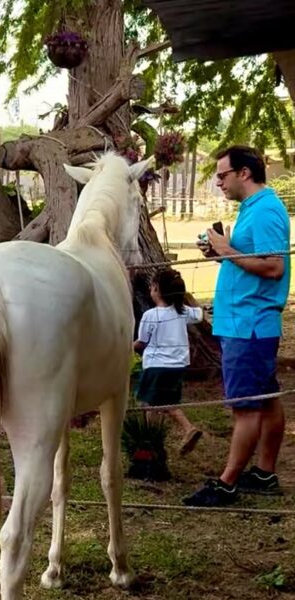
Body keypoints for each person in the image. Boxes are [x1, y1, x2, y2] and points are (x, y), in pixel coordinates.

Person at [184, 145, 290, 507]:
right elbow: (252, 262)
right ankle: (264, 473)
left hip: (250, 325)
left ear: (244, 173)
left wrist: (226, 249)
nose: (218, 182)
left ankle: (227, 484)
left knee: (246, 407)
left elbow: (274, 266)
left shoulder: (265, 211)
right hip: (247, 323)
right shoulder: (252, 209)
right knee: (266, 399)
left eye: (222, 175)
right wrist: (221, 253)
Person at [133, 269, 204, 455]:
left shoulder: (150, 315)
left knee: (154, 403)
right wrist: (186, 298)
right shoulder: (182, 311)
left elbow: (142, 342)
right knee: (158, 401)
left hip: (156, 366)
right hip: (178, 366)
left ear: (156, 289)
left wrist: (127, 347)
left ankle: (185, 429)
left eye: (152, 287)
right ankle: (153, 434)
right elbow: (199, 314)